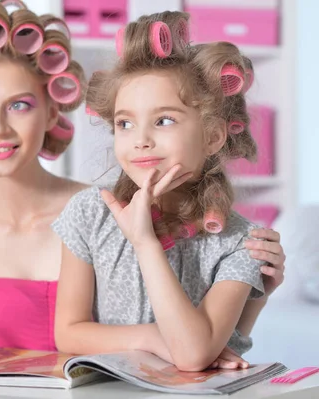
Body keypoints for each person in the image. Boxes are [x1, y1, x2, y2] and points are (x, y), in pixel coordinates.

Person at [0, 3, 285, 365]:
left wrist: (250, 303)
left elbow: (188, 319)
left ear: (53, 111)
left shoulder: (107, 210)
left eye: (18, 105)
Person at [53, 11, 283, 371]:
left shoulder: (240, 241)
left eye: (164, 120)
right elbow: (68, 332)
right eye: (125, 123)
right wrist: (153, 338)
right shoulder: (90, 212)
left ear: (212, 136)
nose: (141, 140)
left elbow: (192, 355)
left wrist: (145, 243)